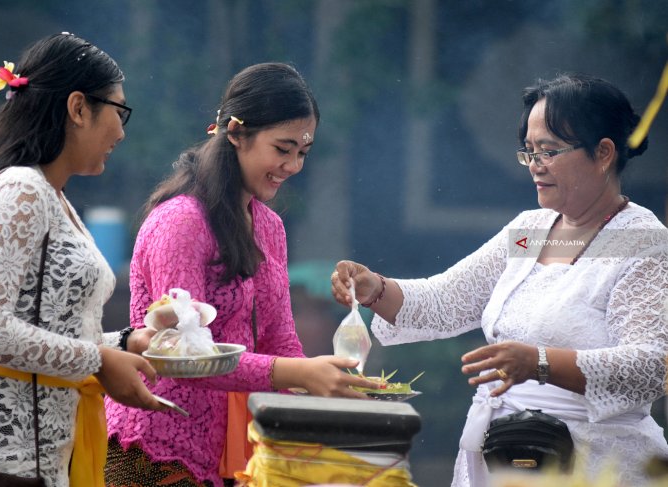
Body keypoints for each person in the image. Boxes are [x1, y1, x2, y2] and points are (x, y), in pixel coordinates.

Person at [330, 73, 668, 487]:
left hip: (598, 464)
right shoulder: (531, 230)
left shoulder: (643, 241)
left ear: (603, 153)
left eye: (549, 151)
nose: (536, 166)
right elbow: (447, 299)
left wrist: (539, 363)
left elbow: (651, 364)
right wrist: (375, 289)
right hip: (507, 456)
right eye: (529, 152)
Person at [104, 62, 376, 487]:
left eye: (302, 153)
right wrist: (300, 375)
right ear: (235, 133)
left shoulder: (270, 226)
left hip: (235, 449)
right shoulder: (181, 221)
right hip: (157, 447)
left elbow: (280, 341)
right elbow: (186, 355)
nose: (292, 166)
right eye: (282, 148)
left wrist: (325, 387)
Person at [0, 33, 172, 487]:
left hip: (37, 453)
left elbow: (47, 330)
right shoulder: (20, 190)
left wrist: (126, 343)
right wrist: (99, 361)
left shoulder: (51, 196)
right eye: (118, 111)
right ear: (78, 107)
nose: (122, 132)